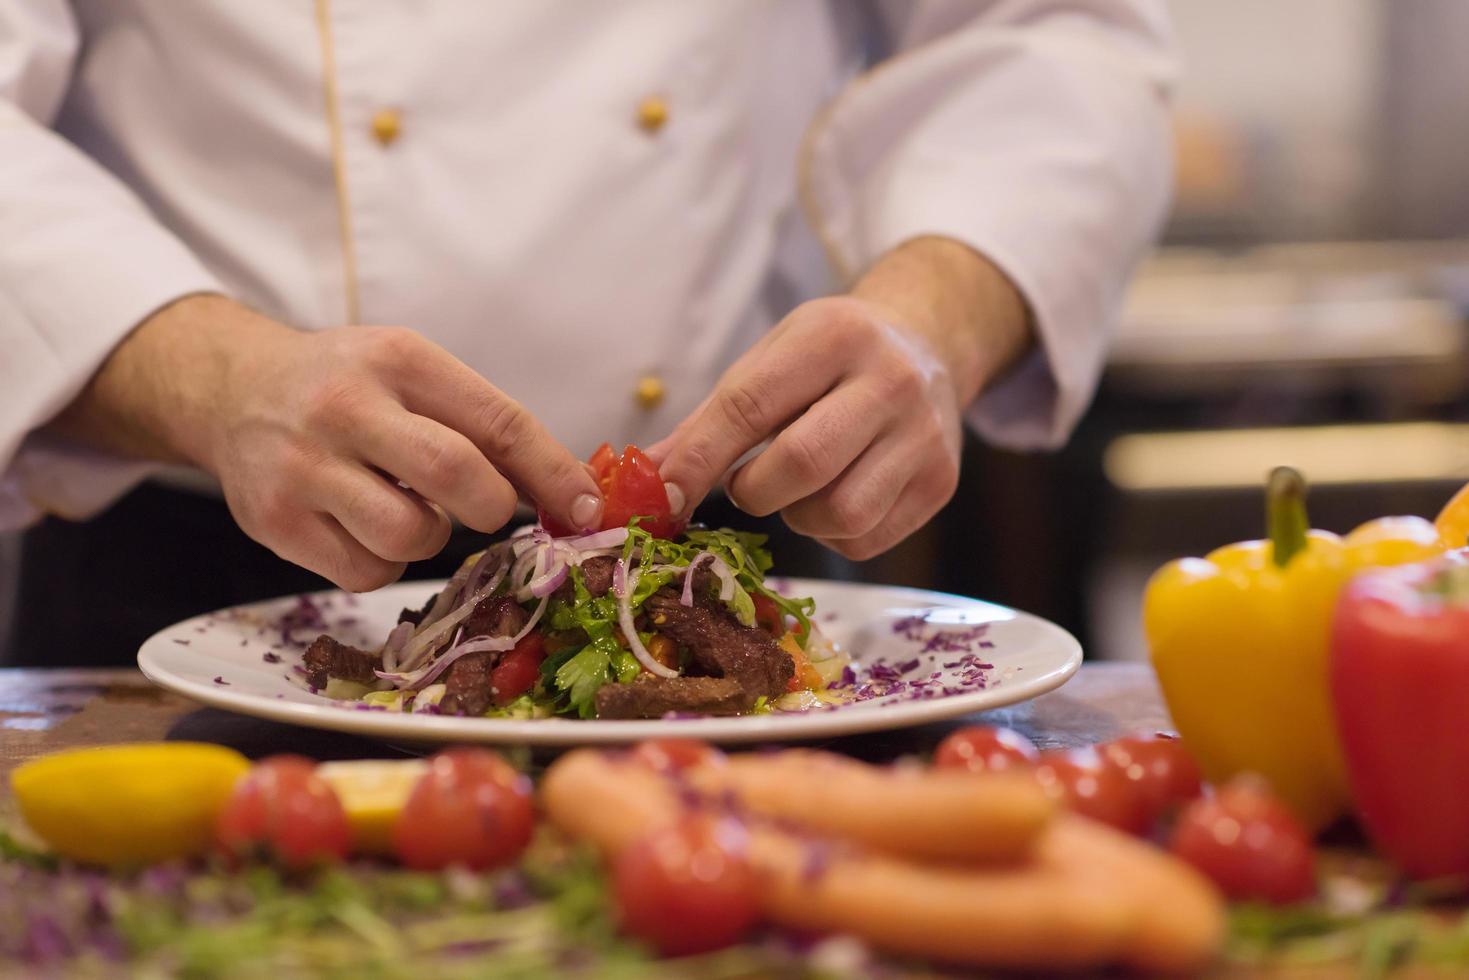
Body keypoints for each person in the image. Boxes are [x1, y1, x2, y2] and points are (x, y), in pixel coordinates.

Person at [0, 2, 1175, 663]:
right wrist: (204, 374)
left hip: (729, 584)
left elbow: (1052, 36)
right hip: (204, 581)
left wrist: (933, 314)